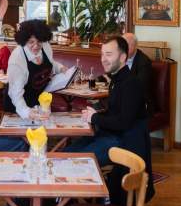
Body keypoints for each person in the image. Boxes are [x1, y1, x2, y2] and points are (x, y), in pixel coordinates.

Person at [63, 36, 148, 166]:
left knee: (73, 162)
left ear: (122, 57)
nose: (103, 59)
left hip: (122, 142)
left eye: (108, 54)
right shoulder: (116, 79)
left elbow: (124, 123)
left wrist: (95, 118)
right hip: (109, 135)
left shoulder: (131, 83)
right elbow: (115, 113)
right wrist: (94, 114)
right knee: (64, 155)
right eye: (102, 54)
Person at [6, 20, 66, 119]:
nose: (36, 46)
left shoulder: (45, 46)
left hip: (40, 101)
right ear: (24, 41)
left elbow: (50, 63)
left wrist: (61, 68)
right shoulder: (17, 59)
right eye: (31, 42)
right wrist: (26, 112)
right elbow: (15, 93)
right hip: (18, 106)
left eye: (39, 41)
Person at [122, 32, 153, 116]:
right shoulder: (120, 57)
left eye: (127, 45)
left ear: (135, 46)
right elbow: (109, 74)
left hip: (140, 103)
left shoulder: (144, 62)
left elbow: (139, 86)